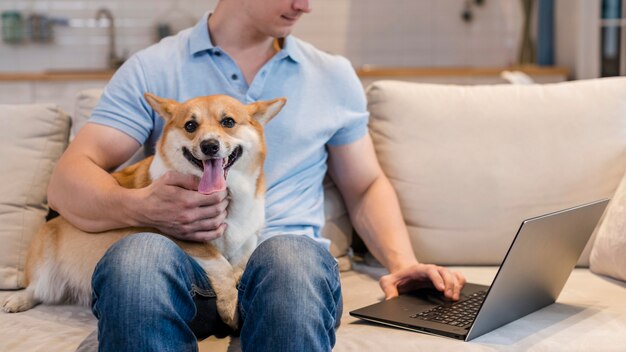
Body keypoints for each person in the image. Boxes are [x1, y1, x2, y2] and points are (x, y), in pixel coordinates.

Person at [48, 0, 466, 351]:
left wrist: (403, 262)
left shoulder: (332, 75)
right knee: (136, 258)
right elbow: (67, 181)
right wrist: (142, 206)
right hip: (183, 268)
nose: (305, 5)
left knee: (292, 256)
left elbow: (365, 186)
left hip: (286, 273)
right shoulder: (152, 67)